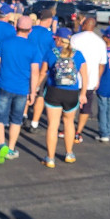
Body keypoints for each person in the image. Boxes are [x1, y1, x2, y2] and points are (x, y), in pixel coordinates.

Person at [0, 16, 40, 163]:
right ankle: (11, 148)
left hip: (4, 85)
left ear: (16, 27)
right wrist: (33, 92)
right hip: (22, 88)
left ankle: (1, 144)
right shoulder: (33, 47)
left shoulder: (4, 43)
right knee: (16, 119)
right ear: (30, 30)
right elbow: (35, 72)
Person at [37, 27, 88, 168]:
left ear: (58, 39)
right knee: (69, 123)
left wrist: (35, 88)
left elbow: (42, 73)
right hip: (71, 93)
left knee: (53, 125)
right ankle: (69, 153)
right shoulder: (78, 54)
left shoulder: (51, 53)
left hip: (54, 92)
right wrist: (83, 93)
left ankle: (50, 158)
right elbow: (84, 75)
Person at [70, 17, 107, 143]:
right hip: (90, 80)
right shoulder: (100, 42)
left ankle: (68, 128)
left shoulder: (75, 38)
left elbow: (68, 55)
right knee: (85, 107)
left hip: (73, 79)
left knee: (70, 106)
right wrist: (98, 79)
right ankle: (78, 132)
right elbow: (102, 64)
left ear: (85, 25)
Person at [26, 9, 55, 132]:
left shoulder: (30, 30)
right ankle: (34, 123)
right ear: (49, 20)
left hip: (28, 66)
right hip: (42, 69)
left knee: (26, 92)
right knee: (40, 96)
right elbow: (54, 52)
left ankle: (23, 115)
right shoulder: (49, 35)